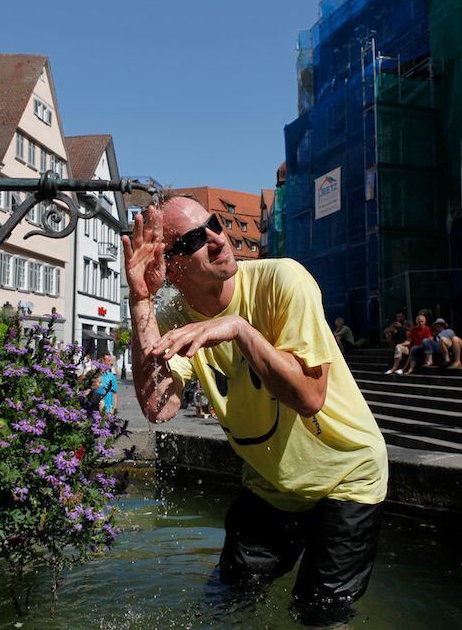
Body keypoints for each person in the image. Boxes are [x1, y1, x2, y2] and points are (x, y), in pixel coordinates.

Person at [124, 197, 388, 619]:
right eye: (195, 238)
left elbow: (309, 397)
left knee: (318, 612)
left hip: (347, 474)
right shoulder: (174, 314)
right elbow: (159, 405)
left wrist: (240, 330)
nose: (216, 238)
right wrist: (140, 300)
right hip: (272, 482)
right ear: (170, 266)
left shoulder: (283, 279)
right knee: (227, 598)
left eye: (214, 223)